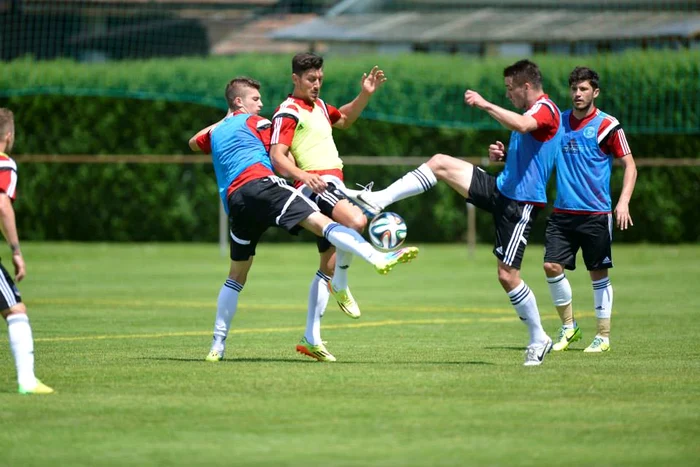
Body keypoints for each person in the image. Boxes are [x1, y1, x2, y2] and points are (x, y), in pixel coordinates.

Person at [347, 60, 563, 366]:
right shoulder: (529, 112)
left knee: (507, 275)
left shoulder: (546, 109)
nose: (507, 95)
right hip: (501, 189)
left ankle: (539, 337)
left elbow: (523, 126)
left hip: (520, 204)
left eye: (509, 89)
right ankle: (378, 200)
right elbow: (529, 149)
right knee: (439, 162)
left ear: (526, 86)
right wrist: (503, 156)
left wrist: (485, 103)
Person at [189, 77, 418, 362]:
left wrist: (225, 118)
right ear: (239, 101)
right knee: (324, 223)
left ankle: (217, 347)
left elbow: (193, 142)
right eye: (255, 100)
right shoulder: (257, 123)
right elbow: (281, 147)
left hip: (235, 203)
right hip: (263, 186)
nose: (261, 105)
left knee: (236, 276)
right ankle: (377, 257)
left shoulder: (216, 132)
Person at [269, 53, 401, 358]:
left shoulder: (318, 107)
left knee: (325, 268)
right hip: (316, 186)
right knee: (356, 222)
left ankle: (310, 338)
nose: (316, 84)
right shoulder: (287, 112)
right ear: (295, 80)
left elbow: (344, 119)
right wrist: (304, 177)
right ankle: (352, 276)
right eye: (310, 79)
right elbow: (277, 156)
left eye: (320, 79)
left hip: (333, 185)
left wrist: (365, 94)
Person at [543, 66, 637, 353]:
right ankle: (569, 328)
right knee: (551, 266)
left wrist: (622, 202)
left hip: (596, 214)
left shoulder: (608, 126)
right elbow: (534, 150)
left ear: (595, 92)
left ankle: (603, 336)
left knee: (598, 274)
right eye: (574, 89)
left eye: (583, 89)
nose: (577, 94)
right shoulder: (558, 122)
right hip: (562, 214)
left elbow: (630, 165)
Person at [0, 108, 54, 394]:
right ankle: (26, 381)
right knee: (16, 311)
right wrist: (16, 250)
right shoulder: (4, 164)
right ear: (9, 136)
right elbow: (2, 204)